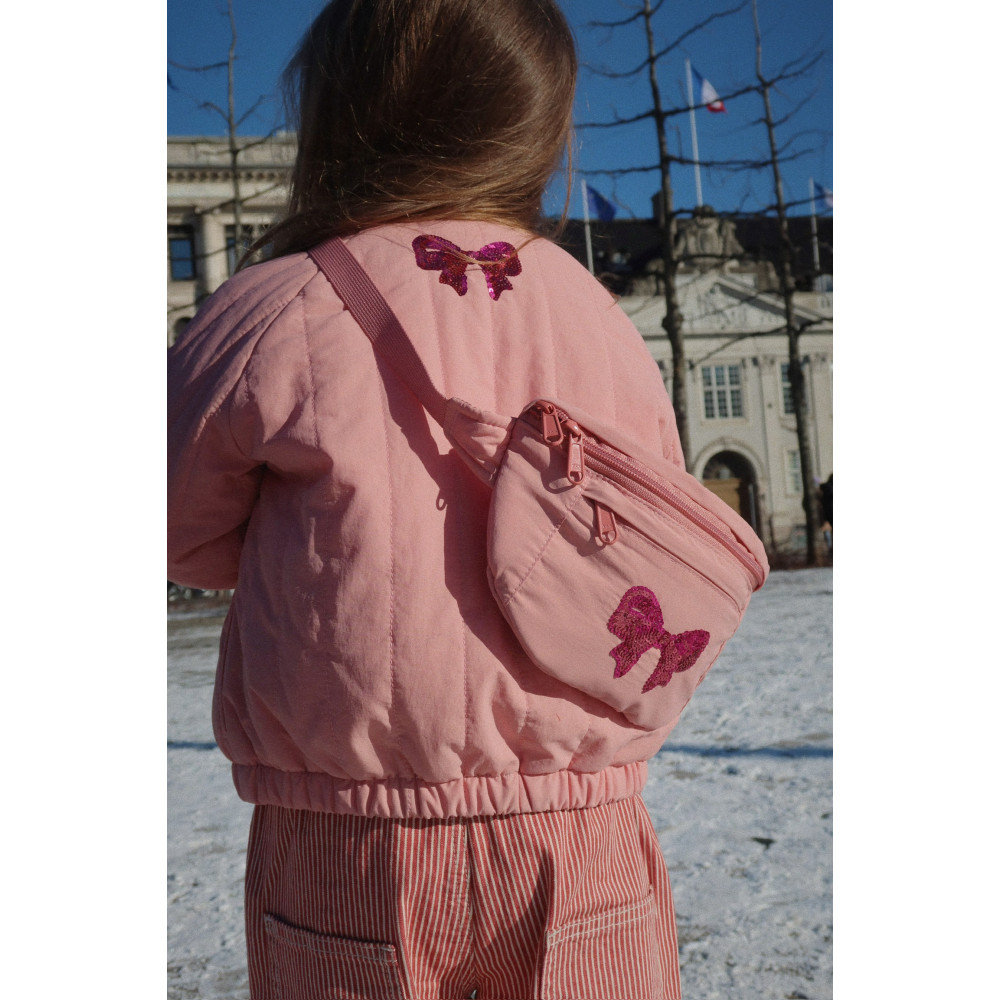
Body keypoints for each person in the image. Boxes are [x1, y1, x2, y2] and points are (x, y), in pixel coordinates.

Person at [168, 3, 689, 997]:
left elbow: (176, 530)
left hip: (349, 844)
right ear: (539, 128)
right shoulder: (597, 312)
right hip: (581, 828)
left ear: (337, 113)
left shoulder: (272, 309)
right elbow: (653, 521)